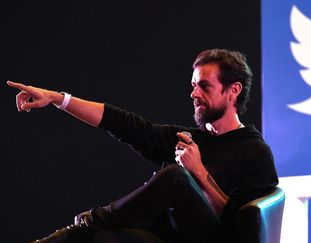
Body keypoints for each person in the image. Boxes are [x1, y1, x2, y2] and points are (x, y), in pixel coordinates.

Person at [7, 49, 279, 243]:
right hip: (169, 236)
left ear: (233, 91)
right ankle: (88, 228)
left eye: (204, 86)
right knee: (105, 238)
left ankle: (82, 226)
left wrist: (199, 174)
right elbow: (122, 123)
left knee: (175, 177)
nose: (194, 94)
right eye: (193, 86)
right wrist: (56, 98)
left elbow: (243, 229)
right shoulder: (189, 138)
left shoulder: (255, 152)